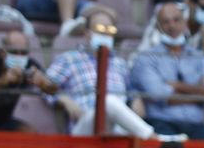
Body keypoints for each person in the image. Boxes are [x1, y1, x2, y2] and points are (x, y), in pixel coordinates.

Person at [45, 7, 157, 138]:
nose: (105, 34)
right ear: (87, 33)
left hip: (117, 128)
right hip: (85, 127)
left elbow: (130, 92)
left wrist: (136, 98)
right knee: (107, 100)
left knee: (112, 104)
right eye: (99, 29)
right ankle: (154, 139)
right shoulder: (69, 59)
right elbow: (44, 85)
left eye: (110, 30)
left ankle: (154, 139)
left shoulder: (120, 63)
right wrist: (63, 99)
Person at [131, 1, 204, 140]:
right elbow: (159, 95)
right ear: (158, 27)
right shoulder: (146, 58)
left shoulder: (199, 56)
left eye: (176, 20)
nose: (172, 26)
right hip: (162, 124)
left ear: (185, 23)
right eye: (166, 22)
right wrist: (199, 92)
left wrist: (176, 85)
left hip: (197, 126)